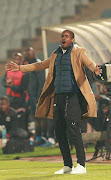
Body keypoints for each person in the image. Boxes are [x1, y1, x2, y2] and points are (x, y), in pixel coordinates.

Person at [5, 30, 102, 175]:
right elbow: (40, 65)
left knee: (73, 128)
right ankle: (67, 165)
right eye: (62, 36)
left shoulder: (79, 52)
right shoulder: (55, 54)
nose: (63, 38)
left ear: (72, 39)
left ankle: (81, 165)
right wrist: (20, 68)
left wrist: (95, 69)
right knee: (59, 130)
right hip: (58, 96)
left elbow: (89, 63)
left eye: (66, 36)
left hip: (74, 95)